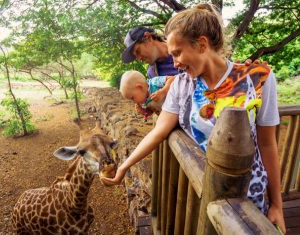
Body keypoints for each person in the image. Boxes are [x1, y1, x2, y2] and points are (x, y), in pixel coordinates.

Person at [103, 3, 286, 233]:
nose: (176, 63)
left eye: (177, 53)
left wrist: (277, 205)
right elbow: (158, 131)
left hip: (249, 198)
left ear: (201, 44)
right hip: (201, 193)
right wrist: (124, 167)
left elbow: (268, 144)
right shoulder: (181, 85)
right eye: (172, 55)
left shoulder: (259, 79)